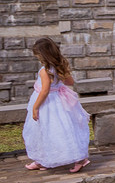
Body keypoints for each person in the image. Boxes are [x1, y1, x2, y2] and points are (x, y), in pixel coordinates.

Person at [22, 37, 91, 173]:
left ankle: (80, 159)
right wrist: (60, 79)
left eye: (38, 55)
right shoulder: (59, 67)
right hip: (59, 101)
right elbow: (70, 82)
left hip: (47, 104)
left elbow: (45, 91)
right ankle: (43, 160)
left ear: (43, 55)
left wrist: (35, 107)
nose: (37, 58)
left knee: (44, 130)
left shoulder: (45, 71)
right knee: (61, 129)